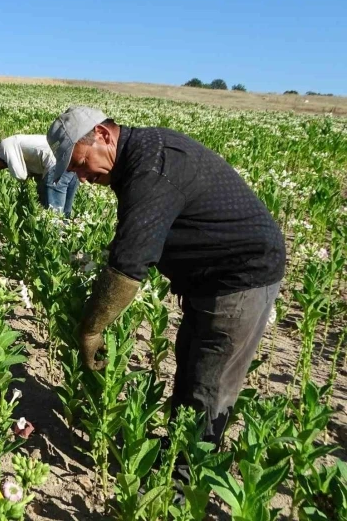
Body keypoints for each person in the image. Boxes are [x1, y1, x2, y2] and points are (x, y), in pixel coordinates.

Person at [47, 106, 285, 453]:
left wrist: (91, 329)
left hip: (241, 276)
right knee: (190, 364)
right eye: (74, 170)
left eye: (81, 163)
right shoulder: (138, 156)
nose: (81, 177)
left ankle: (186, 477)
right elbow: (138, 234)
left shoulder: (152, 166)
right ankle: (176, 452)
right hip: (210, 280)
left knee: (210, 382)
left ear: (102, 135)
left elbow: (130, 262)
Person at [0, 135, 80, 218]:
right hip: (71, 161)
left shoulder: (6, 145)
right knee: (65, 213)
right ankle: (65, 237)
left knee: (54, 213)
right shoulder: (16, 144)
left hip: (56, 165)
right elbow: (37, 169)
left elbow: (20, 175)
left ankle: (55, 237)